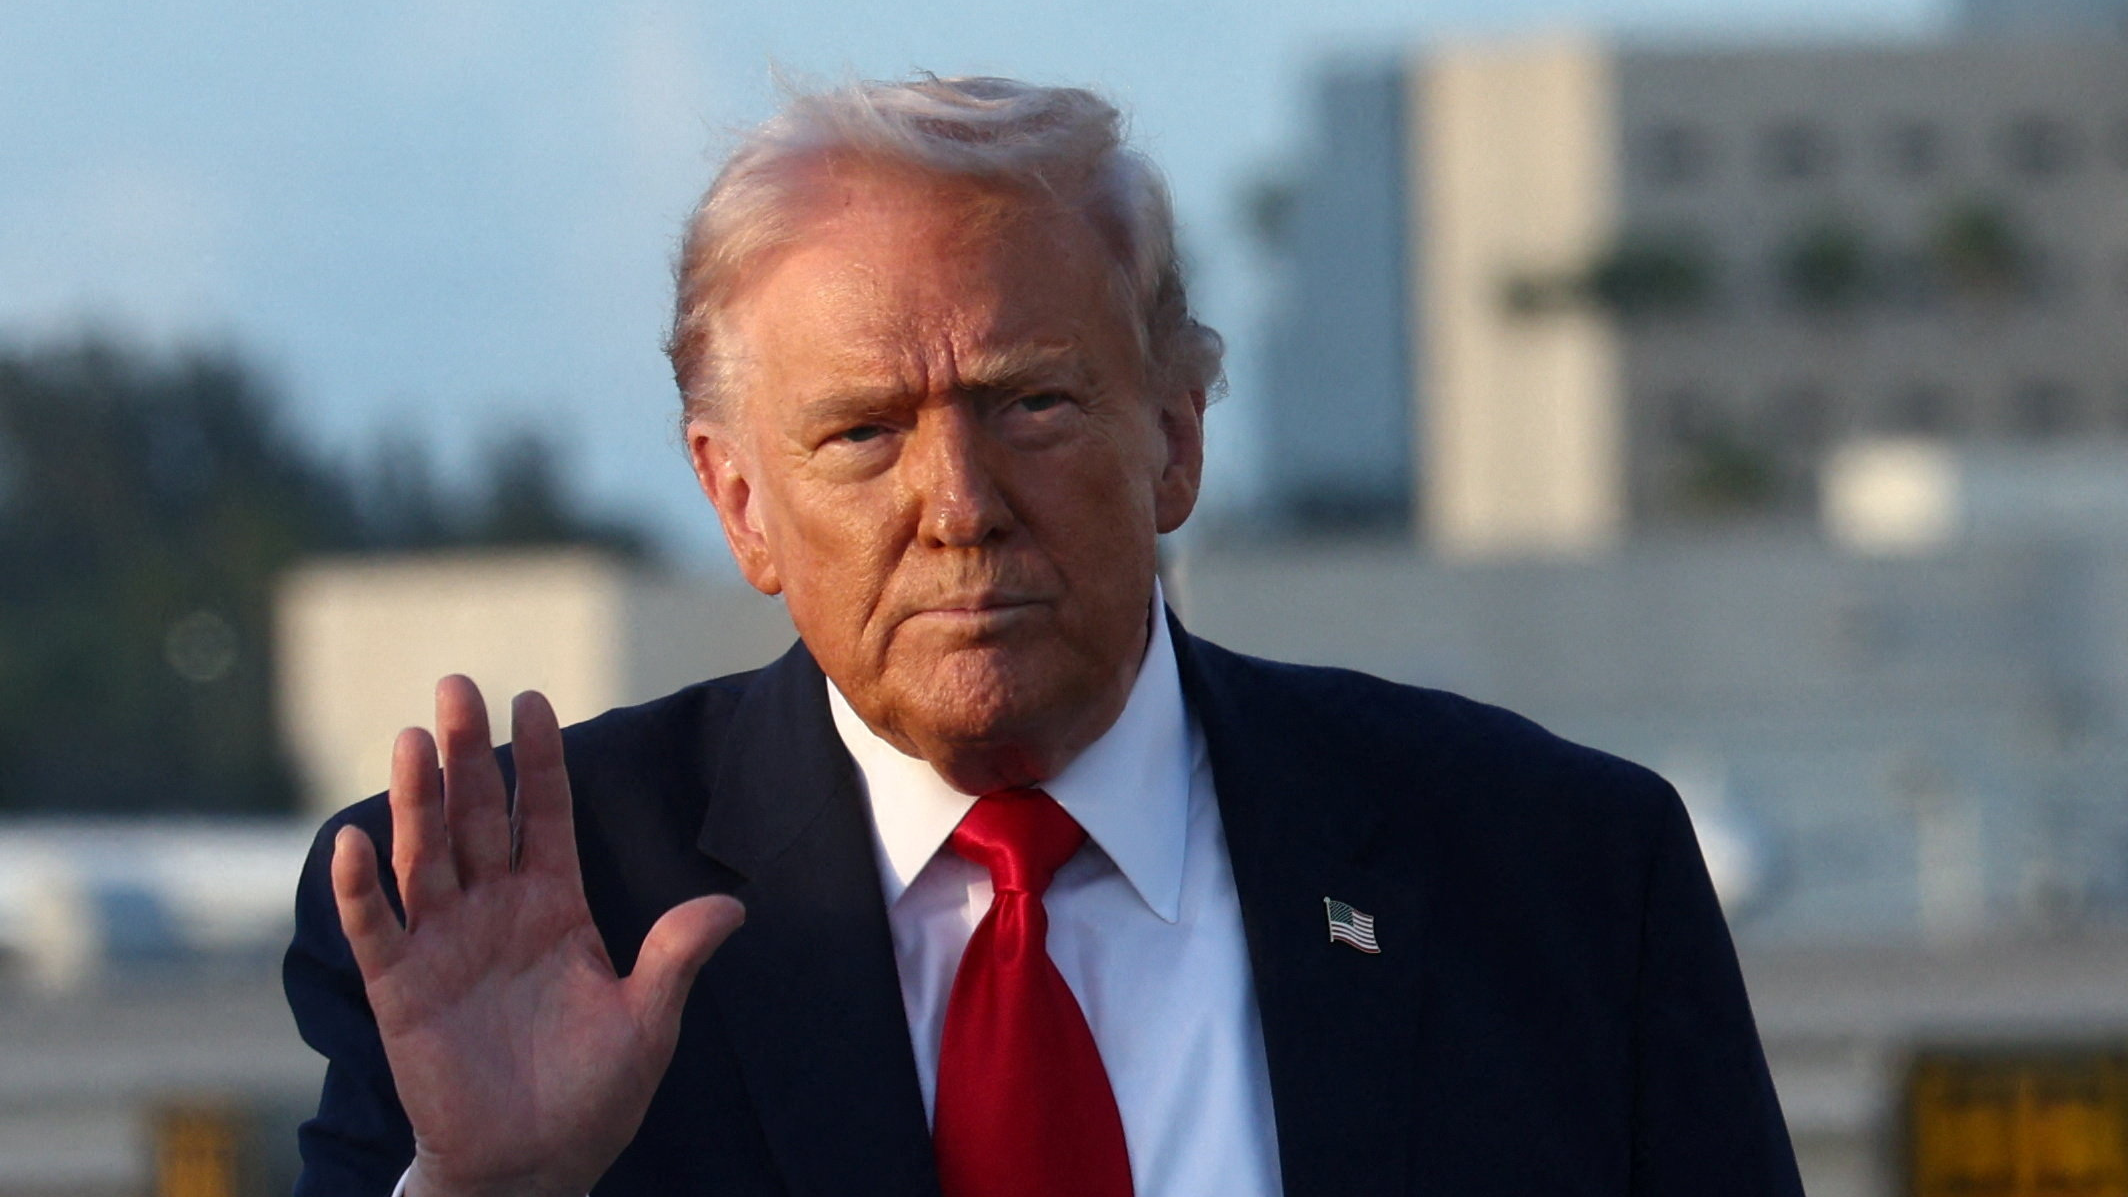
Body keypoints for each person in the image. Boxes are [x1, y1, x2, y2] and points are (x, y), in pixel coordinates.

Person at [284, 75, 1804, 1197]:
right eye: (864, 432)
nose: (959, 503)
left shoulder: (1557, 879)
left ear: (1179, 436)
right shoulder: (528, 922)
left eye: (1033, 404)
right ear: (738, 503)